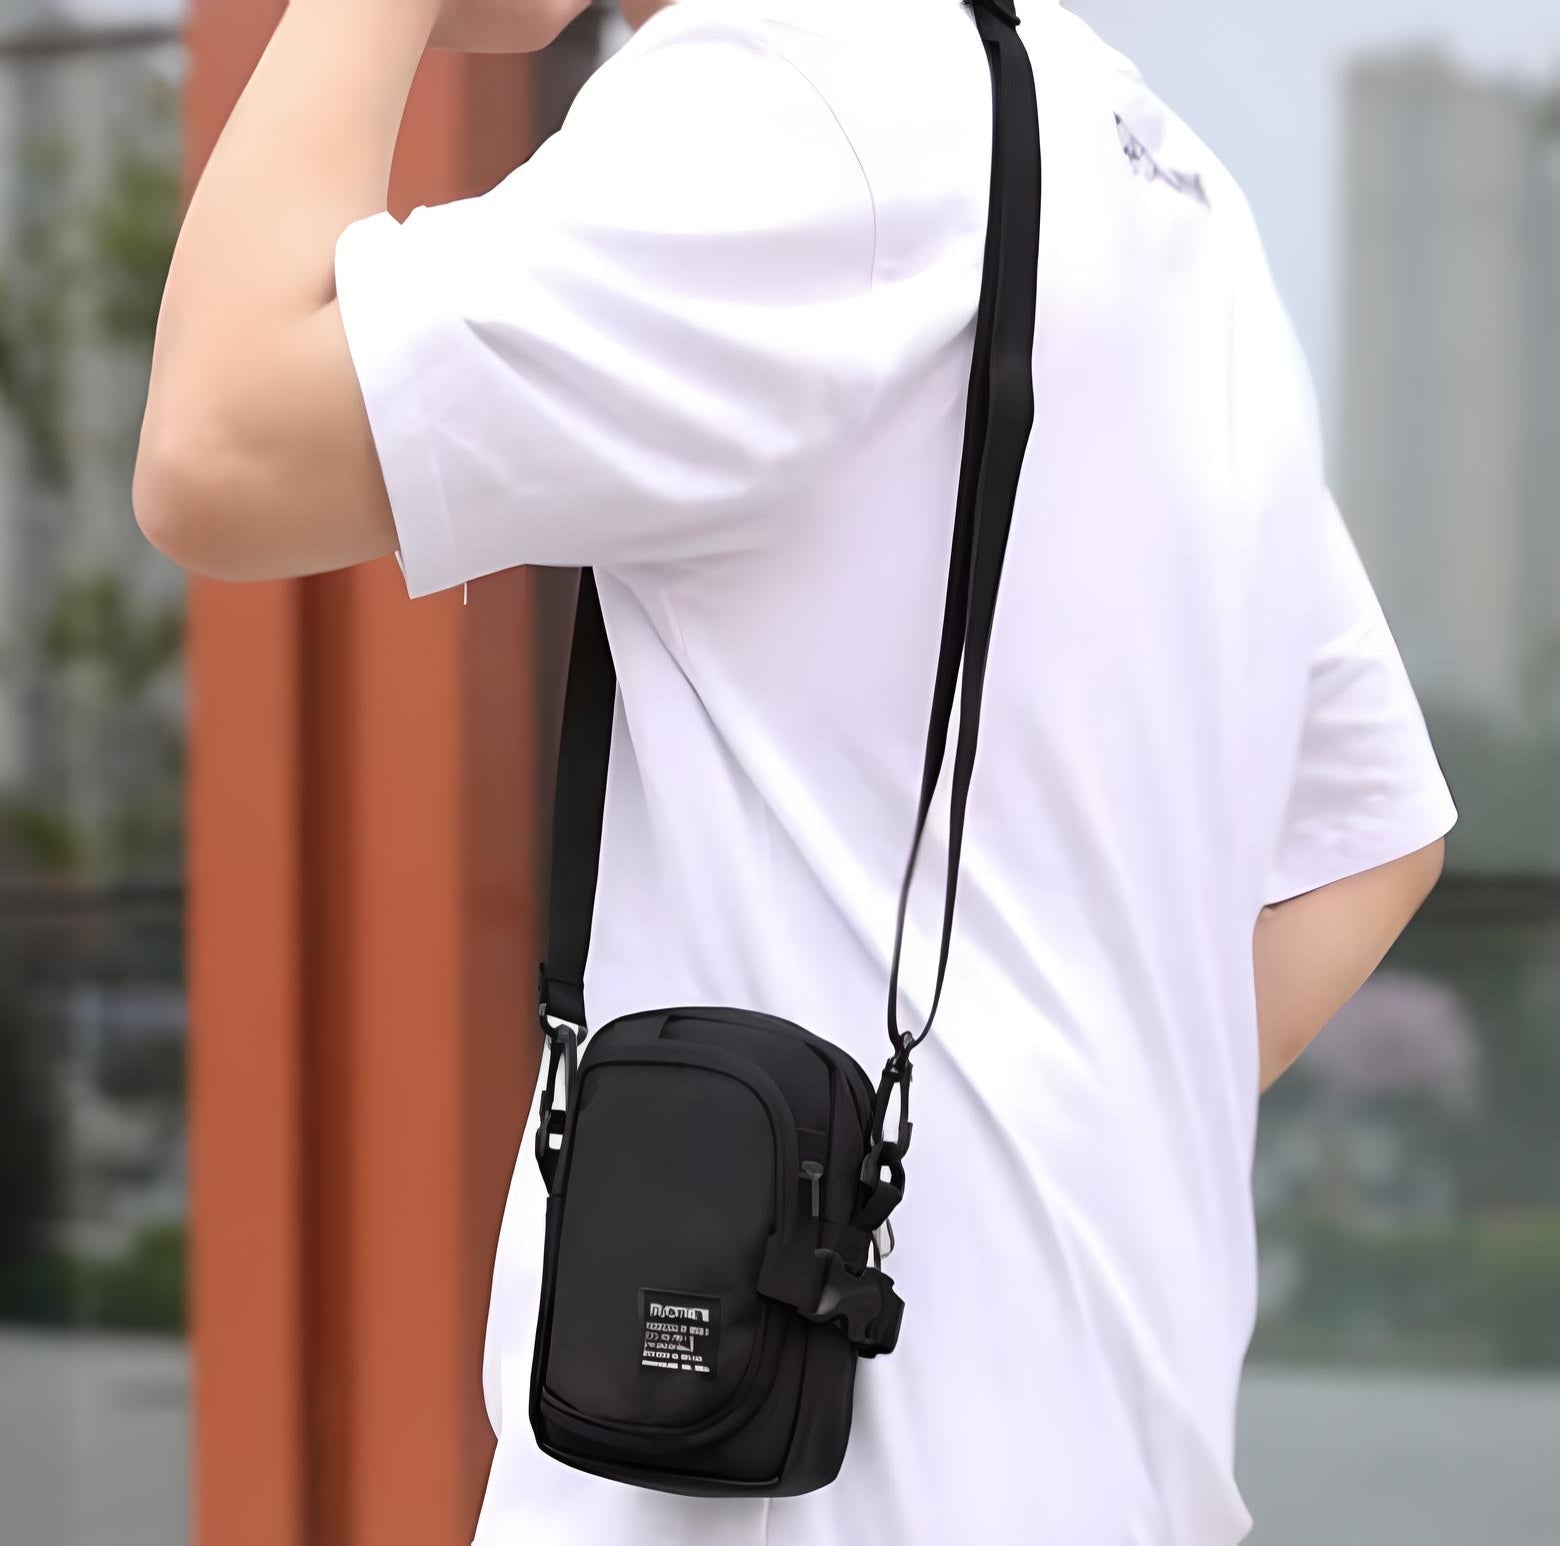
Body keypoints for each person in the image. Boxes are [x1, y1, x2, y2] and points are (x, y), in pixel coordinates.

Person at [133, 0, 1456, 1541]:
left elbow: (217, 447)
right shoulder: (1160, 178)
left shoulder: (786, 105)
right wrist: (1020, 1159)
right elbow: (1367, 839)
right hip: (1117, 1470)